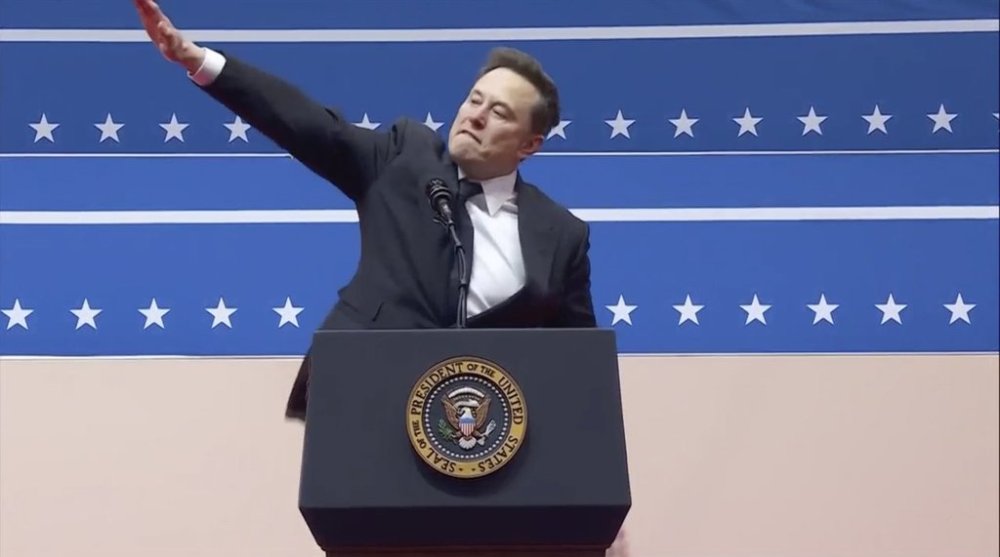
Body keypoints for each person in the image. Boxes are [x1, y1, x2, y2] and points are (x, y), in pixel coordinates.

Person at [133, 0, 598, 420]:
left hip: (479, 432)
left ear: (530, 144)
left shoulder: (560, 235)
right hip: (365, 397)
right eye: (474, 99)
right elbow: (309, 124)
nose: (475, 115)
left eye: (499, 112)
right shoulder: (405, 157)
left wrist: (588, 494)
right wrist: (197, 60)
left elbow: (577, 367)